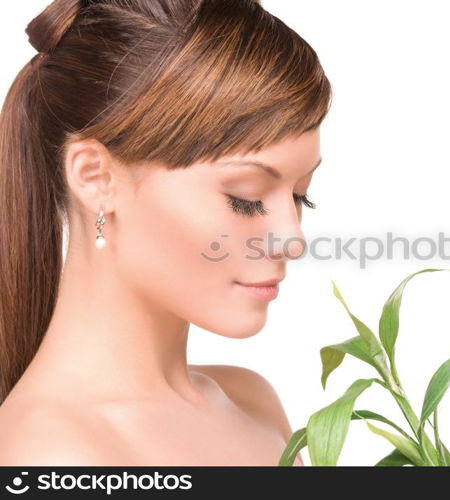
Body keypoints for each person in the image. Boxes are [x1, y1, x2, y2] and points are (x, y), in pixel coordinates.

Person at [0, 0, 331, 465]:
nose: (292, 239)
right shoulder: (53, 454)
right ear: (96, 177)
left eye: (300, 195)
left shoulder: (252, 401)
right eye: (246, 198)